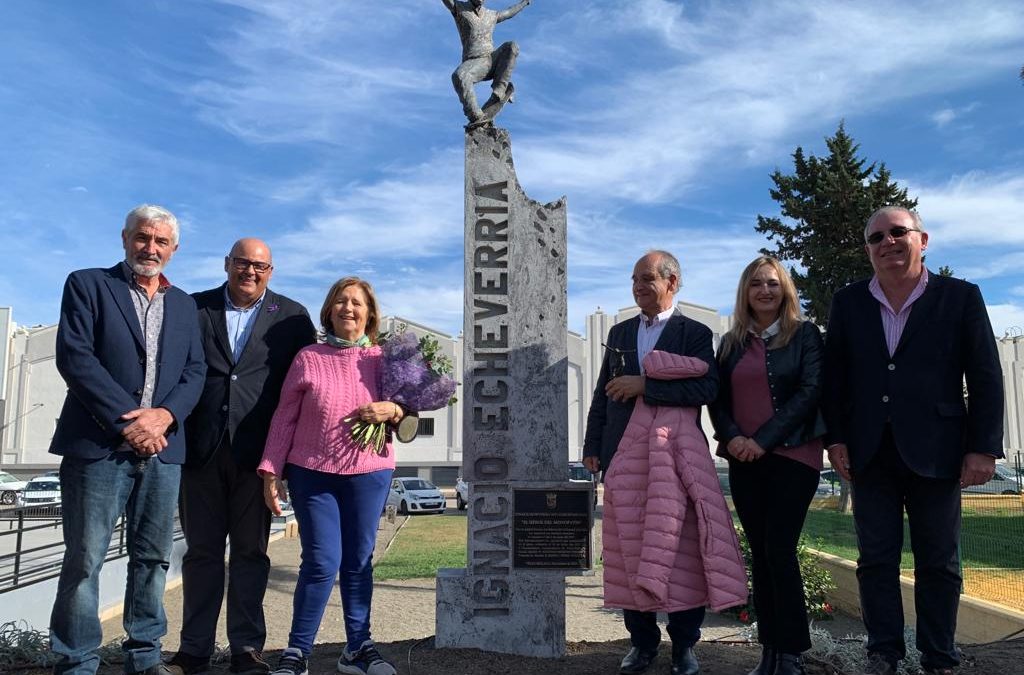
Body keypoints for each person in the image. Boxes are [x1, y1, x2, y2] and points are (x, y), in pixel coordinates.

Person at [823, 207, 1004, 675]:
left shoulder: (960, 297)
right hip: (869, 450)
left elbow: (985, 375)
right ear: (868, 249)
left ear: (922, 239)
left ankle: (939, 657)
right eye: (876, 237)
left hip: (939, 451)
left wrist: (983, 447)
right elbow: (835, 379)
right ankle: (883, 653)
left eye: (898, 232)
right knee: (875, 560)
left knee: (940, 563)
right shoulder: (848, 302)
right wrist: (836, 438)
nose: (888, 242)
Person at [48, 204, 206, 675]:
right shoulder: (87, 284)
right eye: (142, 238)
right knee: (85, 559)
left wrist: (164, 415)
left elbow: (195, 371)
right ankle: (77, 662)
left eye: (160, 242)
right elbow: (76, 358)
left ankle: (144, 657)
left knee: (154, 558)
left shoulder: (184, 305)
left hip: (163, 451)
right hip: (97, 449)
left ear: (174, 250)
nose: (150, 248)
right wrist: (128, 423)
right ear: (124, 238)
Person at [583, 251, 747, 675]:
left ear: (672, 282)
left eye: (646, 279)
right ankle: (642, 644)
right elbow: (602, 395)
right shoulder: (619, 332)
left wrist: (646, 385)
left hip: (675, 461)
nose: (638, 287)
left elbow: (707, 389)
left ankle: (685, 647)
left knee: (681, 554)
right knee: (628, 554)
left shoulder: (694, 333)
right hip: (623, 457)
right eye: (634, 279)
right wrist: (593, 448)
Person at [167, 239, 315, 675]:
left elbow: (303, 387)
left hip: (259, 455)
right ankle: (193, 650)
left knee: (251, 553)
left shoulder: (292, 317)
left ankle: (246, 650)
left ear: (271, 271)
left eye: (260, 266)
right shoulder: (193, 308)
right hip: (200, 451)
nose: (250, 271)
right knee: (201, 554)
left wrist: (288, 459)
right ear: (227, 264)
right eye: (242, 263)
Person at [257, 277, 406, 675]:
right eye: (340, 301)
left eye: (357, 303)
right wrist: (271, 470)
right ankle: (297, 652)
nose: (348, 309)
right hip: (312, 473)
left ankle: (357, 648)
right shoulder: (308, 357)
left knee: (358, 561)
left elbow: (408, 413)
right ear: (329, 310)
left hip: (369, 473)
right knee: (321, 561)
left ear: (370, 313)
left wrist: (393, 409)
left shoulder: (384, 359)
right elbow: (285, 416)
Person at [710, 256, 826, 675]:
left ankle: (792, 651)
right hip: (743, 459)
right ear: (745, 291)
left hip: (793, 456)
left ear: (785, 290)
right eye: (756, 283)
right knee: (760, 553)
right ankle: (770, 650)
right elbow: (717, 399)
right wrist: (734, 438)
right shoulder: (731, 342)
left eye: (773, 284)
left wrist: (762, 439)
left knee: (779, 549)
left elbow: (811, 392)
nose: (765, 291)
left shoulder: (805, 335)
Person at [442, 0, 531, 124]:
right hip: (474, 63)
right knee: (460, 76)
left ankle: (500, 88)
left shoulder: (491, 15)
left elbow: (509, 12)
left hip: (491, 59)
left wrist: (524, 2)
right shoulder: (460, 8)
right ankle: (475, 115)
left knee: (511, 46)